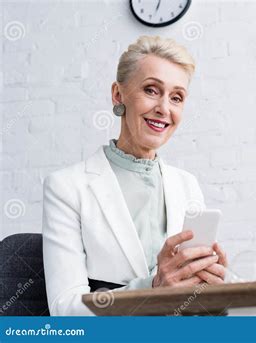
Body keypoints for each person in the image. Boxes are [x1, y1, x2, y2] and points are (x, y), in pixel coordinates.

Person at [42, 35, 227, 316]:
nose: (164, 108)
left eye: (176, 97)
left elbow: (189, 298)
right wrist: (152, 288)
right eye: (152, 90)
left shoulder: (187, 185)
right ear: (118, 94)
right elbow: (64, 310)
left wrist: (210, 290)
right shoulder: (67, 187)